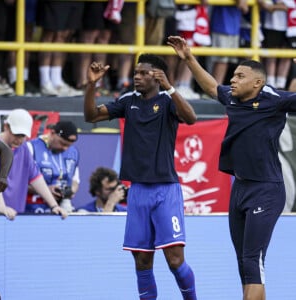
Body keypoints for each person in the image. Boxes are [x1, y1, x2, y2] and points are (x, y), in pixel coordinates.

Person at [167, 35, 296, 300]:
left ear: (257, 82)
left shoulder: (276, 100)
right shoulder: (234, 98)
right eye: (234, 76)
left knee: (252, 260)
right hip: (240, 189)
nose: (233, 80)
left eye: (239, 76)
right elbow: (213, 87)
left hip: (266, 189)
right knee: (245, 264)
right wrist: (189, 58)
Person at [84, 54, 197, 299]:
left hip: (165, 190)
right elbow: (91, 116)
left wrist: (170, 88)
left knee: (175, 261)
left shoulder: (168, 101)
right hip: (137, 192)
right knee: (142, 262)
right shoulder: (127, 101)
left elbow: (191, 118)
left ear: (158, 76)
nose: (137, 76)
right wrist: (92, 85)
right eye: (135, 72)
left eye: (144, 73)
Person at [0, 109, 67, 219]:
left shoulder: (23, 148)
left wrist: (54, 206)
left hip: (16, 215)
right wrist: (2, 208)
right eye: (17, 134)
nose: (19, 140)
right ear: (6, 127)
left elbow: (36, 177)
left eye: (23, 136)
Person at [26, 121, 80, 214]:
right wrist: (45, 190)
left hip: (61, 209)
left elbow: (75, 181)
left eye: (69, 145)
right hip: (32, 208)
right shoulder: (31, 148)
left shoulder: (73, 153)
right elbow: (17, 183)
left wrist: (68, 192)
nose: (65, 148)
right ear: (52, 133)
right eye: (62, 143)